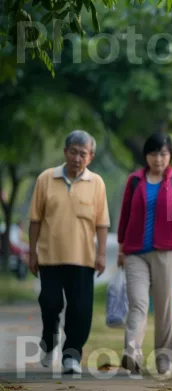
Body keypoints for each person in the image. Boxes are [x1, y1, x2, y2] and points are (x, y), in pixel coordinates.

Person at [117, 133, 172, 376]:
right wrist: (121, 247)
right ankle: (132, 351)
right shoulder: (134, 181)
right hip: (136, 254)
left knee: (164, 308)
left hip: (166, 253)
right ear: (146, 155)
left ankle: (164, 359)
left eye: (163, 153)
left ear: (170, 155)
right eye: (154, 153)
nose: (158, 159)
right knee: (138, 303)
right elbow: (124, 216)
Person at [28, 130, 110, 374]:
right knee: (50, 303)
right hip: (50, 257)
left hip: (83, 258)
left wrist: (102, 254)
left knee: (81, 310)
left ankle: (71, 356)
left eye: (82, 154)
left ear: (91, 157)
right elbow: (35, 220)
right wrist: (32, 253)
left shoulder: (96, 183)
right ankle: (49, 338)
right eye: (73, 152)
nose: (77, 157)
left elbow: (102, 223)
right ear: (65, 152)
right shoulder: (45, 178)